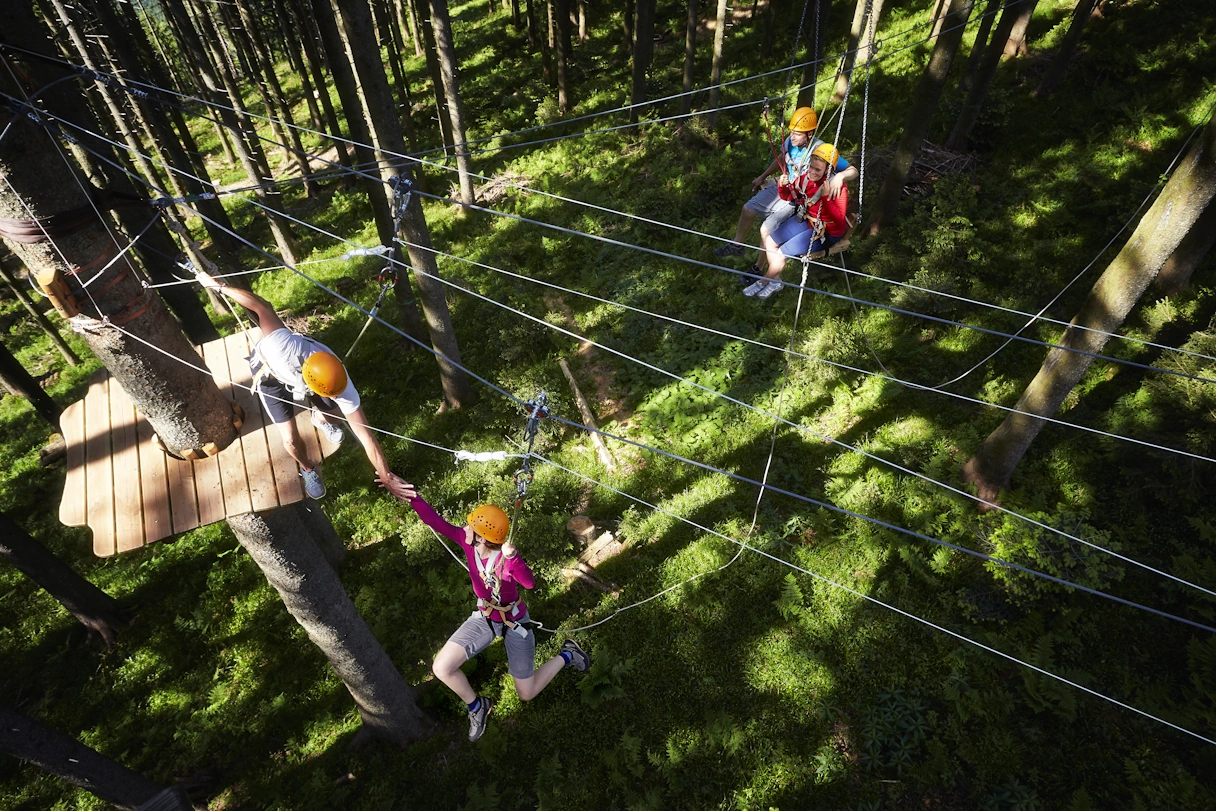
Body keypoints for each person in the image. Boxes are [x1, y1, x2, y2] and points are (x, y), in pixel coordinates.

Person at [389, 481, 590, 742]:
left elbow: (529, 583)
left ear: (483, 537)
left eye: (471, 527)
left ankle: (567, 654)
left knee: (526, 693)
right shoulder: (466, 541)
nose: (464, 528)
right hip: (485, 618)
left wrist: (514, 558)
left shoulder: (506, 562)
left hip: (515, 621)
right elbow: (435, 522)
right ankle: (477, 707)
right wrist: (412, 496)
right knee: (442, 667)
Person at [196, 271, 411, 501]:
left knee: (337, 417)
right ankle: (307, 467)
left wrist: (386, 475)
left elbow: (367, 437)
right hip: (271, 377)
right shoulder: (281, 347)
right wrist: (218, 286)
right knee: (290, 439)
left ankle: (319, 418)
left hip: (307, 381)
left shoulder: (340, 383)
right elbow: (261, 306)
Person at [714, 106, 857, 267]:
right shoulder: (790, 142)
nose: (792, 136)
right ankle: (737, 245)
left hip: (800, 198)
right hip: (787, 187)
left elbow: (853, 170)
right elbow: (783, 158)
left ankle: (758, 268)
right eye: (792, 132)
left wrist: (840, 176)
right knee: (748, 209)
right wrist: (763, 176)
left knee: (765, 230)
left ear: (809, 134)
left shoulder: (821, 151)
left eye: (797, 133)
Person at [744, 142, 851, 300]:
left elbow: (839, 221)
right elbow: (789, 196)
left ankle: (763, 281)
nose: (812, 172)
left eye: (817, 170)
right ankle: (775, 281)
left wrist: (825, 199)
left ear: (829, 170)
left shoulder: (839, 189)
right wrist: (783, 187)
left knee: (780, 254)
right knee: (771, 241)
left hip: (826, 232)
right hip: (808, 221)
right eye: (811, 167)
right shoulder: (806, 178)